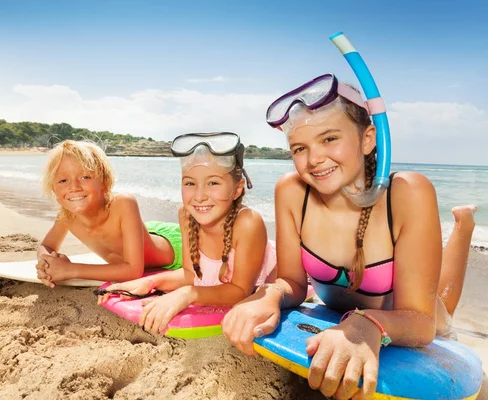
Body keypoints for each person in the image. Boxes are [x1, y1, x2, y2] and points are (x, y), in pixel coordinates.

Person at [221, 74, 477, 400]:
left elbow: (422, 323)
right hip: (346, 312)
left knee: (444, 306)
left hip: (410, 318)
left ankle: (463, 225)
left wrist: (366, 325)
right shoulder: (291, 192)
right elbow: (293, 283)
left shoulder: (408, 193)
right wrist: (269, 295)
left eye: (329, 139)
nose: (314, 159)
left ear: (368, 138)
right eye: (300, 147)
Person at [98, 132, 277, 335]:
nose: (199, 196)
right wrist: (149, 283)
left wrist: (187, 294)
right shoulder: (186, 215)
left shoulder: (247, 222)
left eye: (213, 183)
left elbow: (240, 291)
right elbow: (190, 275)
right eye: (190, 183)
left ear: (237, 189)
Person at [35, 139, 183, 287]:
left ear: (105, 183)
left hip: (177, 246)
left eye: (85, 177)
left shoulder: (123, 203)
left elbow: (133, 271)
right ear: (54, 189)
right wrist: (46, 263)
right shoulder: (67, 216)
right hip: (142, 232)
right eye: (63, 180)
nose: (74, 187)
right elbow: (47, 246)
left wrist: (71, 269)